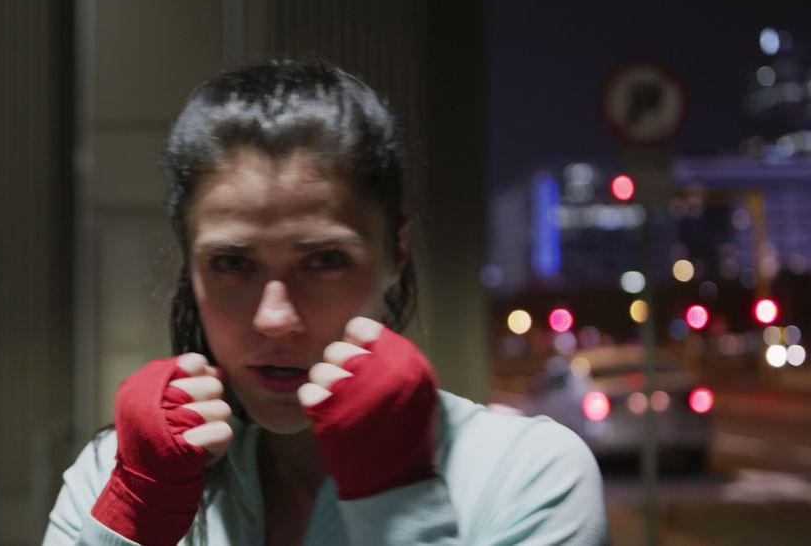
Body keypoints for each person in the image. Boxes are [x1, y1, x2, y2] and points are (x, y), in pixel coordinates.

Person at [44, 60, 610, 545]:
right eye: (232, 264)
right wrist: (130, 518)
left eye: (324, 261)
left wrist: (397, 501)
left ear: (396, 254)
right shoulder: (113, 475)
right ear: (189, 266)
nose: (275, 318)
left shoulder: (526, 473)